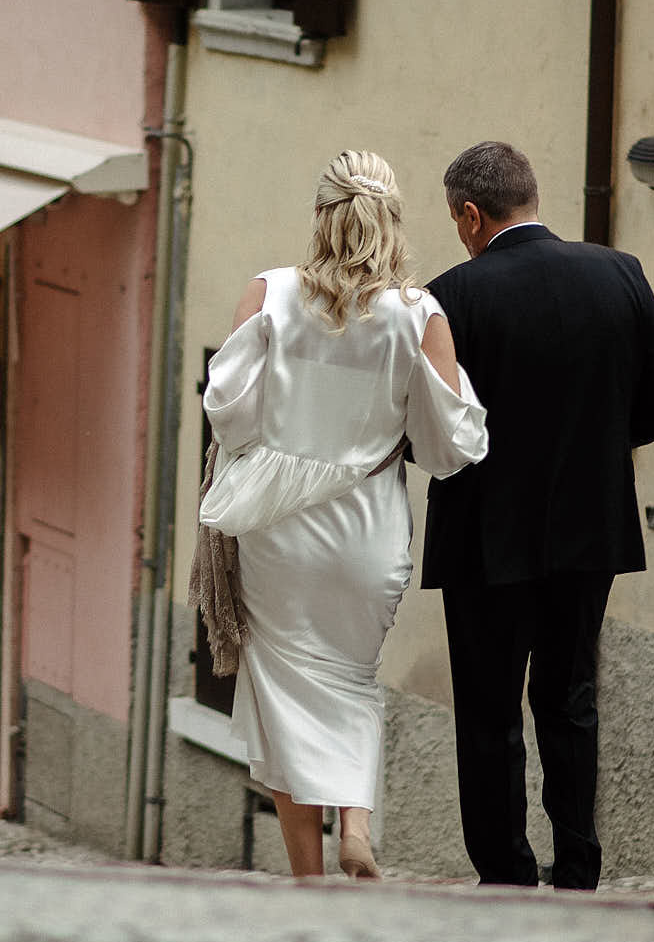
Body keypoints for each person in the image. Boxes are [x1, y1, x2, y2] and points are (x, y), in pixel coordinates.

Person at [200, 150, 490, 879]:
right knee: (353, 682)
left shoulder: (269, 293)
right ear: (391, 221)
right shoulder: (419, 314)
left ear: (320, 216)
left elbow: (229, 413)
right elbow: (450, 446)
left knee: (284, 696)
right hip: (369, 531)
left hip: (278, 532)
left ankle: (309, 877)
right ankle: (355, 824)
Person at [422, 140, 654, 889]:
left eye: (457, 221)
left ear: (471, 215)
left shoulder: (450, 297)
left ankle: (506, 872)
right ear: (531, 197)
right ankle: (577, 865)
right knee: (570, 701)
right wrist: (596, 451)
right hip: (589, 529)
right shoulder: (620, 274)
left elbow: (427, 430)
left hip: (484, 536)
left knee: (489, 711)